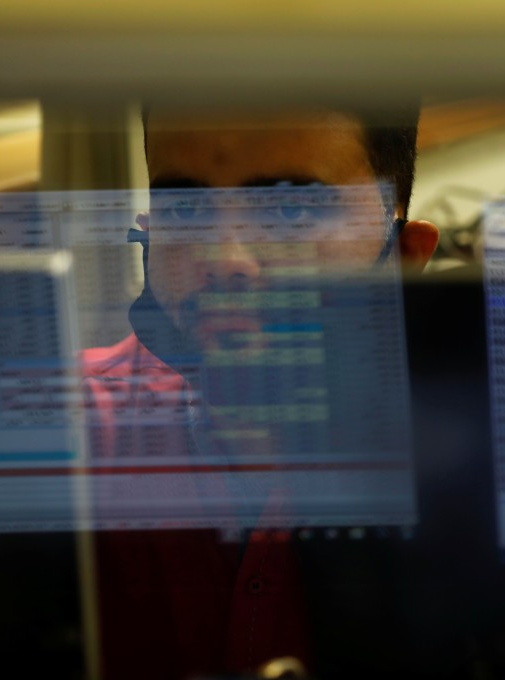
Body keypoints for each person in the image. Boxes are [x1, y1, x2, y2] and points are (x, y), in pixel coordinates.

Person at [80, 104, 440, 679]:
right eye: (186, 208)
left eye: (291, 208)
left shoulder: (476, 468)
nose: (225, 261)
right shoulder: (64, 436)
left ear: (402, 255)